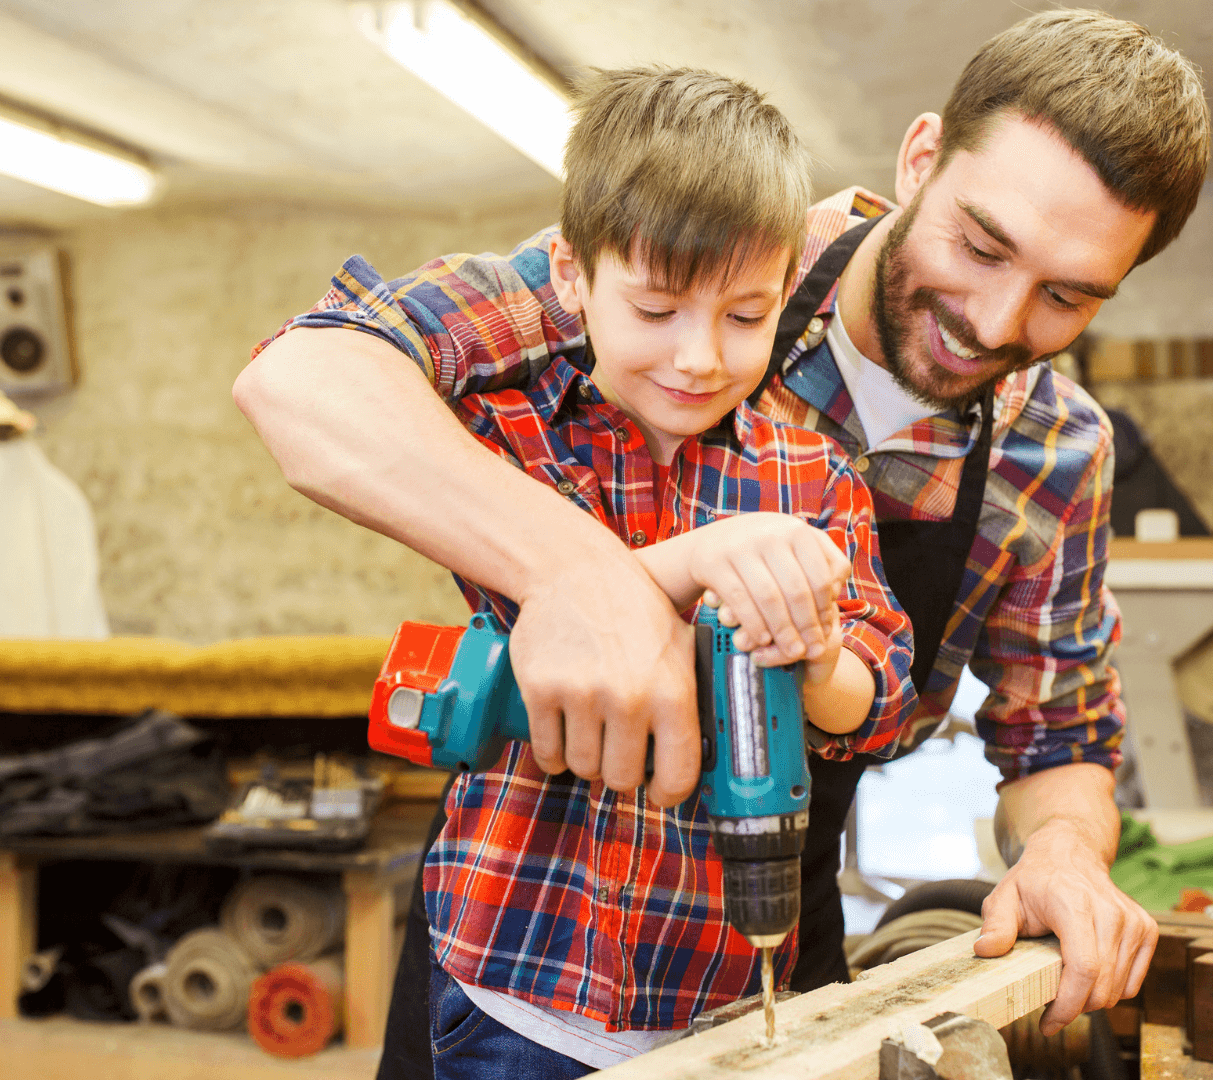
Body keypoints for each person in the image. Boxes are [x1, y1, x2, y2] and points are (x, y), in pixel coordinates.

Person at [236, 8, 1211, 1071]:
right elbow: (310, 378)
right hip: (525, 918)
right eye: (980, 246)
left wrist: (1066, 852)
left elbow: (1059, 739)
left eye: (1066, 297)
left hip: (759, 938)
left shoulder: (1057, 452)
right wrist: (588, 577)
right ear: (922, 158)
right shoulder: (710, 248)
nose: (996, 320)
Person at [331, 68, 917, 1078]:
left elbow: (884, 703)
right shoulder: (507, 437)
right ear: (572, 275)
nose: (699, 358)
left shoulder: (813, 477)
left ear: (786, 292)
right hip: (515, 974)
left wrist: (817, 657)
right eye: (656, 309)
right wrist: (695, 562)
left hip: (719, 994)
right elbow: (534, 609)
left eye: (746, 317)